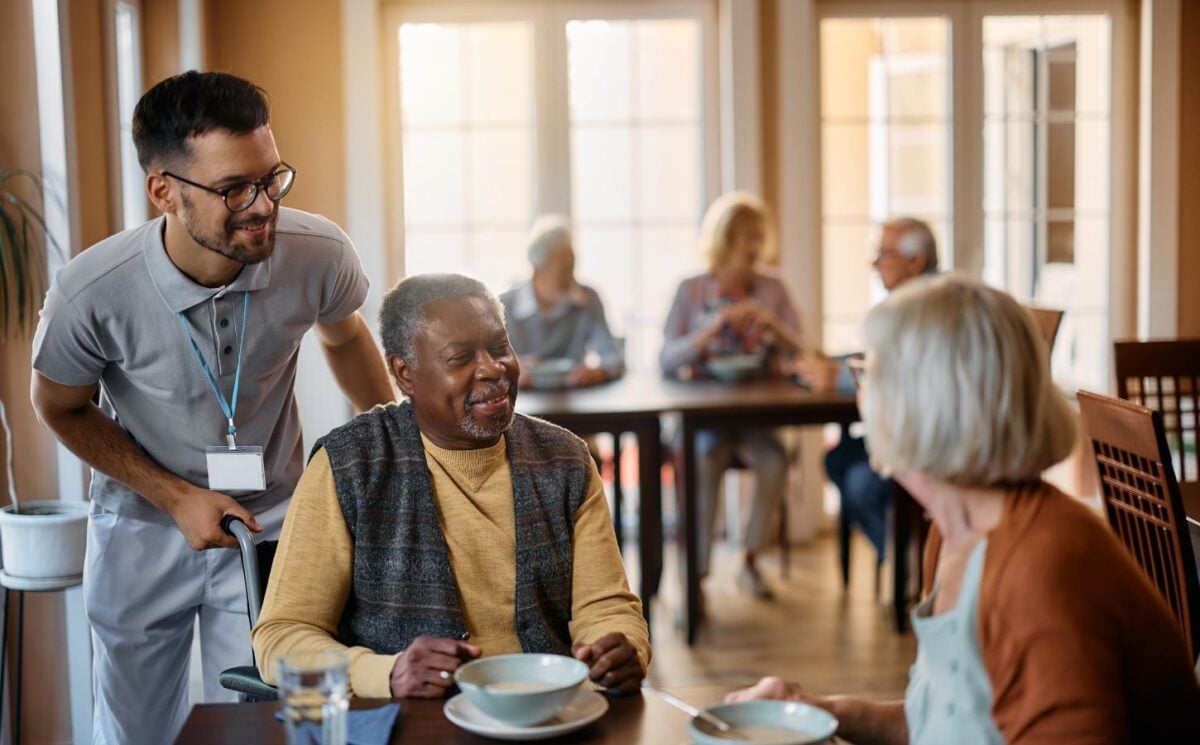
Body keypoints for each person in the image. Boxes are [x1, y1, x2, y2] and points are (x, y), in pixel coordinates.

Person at [29, 71, 395, 745]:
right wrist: (173, 496)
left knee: (260, 723)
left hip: (273, 519)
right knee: (137, 730)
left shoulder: (318, 253)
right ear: (163, 190)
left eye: (271, 178)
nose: (262, 205)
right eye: (233, 189)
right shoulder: (91, 291)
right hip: (142, 523)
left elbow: (345, 337)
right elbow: (58, 405)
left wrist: (396, 450)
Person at [729, 275, 1200, 743]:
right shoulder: (953, 534)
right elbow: (945, 721)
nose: (861, 393)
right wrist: (817, 712)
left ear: (930, 407)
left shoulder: (1043, 571)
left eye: (872, 374)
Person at [252, 273, 649, 698]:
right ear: (405, 374)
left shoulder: (566, 459)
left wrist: (620, 644)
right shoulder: (349, 466)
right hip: (414, 724)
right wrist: (386, 673)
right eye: (460, 359)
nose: (493, 369)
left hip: (545, 716)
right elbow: (281, 636)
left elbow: (605, 605)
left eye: (500, 348)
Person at [660, 192, 804, 600]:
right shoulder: (690, 291)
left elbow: (802, 352)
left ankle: (750, 562)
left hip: (757, 419)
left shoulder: (772, 290)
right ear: (724, 241)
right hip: (703, 420)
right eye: (746, 238)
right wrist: (712, 327)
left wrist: (774, 324)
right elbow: (667, 358)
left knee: (775, 460)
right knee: (703, 460)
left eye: (759, 237)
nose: (755, 247)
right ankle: (698, 576)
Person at [793, 217, 938, 567]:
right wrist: (832, 363)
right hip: (910, 430)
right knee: (837, 459)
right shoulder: (911, 301)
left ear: (915, 261)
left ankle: (910, 561)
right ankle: (903, 557)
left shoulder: (931, 306)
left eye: (883, 254)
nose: (874, 263)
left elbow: (904, 374)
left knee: (860, 480)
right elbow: (883, 359)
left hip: (930, 439)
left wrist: (839, 376)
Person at [500, 215, 623, 389]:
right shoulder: (504, 306)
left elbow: (614, 357)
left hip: (574, 401)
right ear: (537, 271)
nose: (571, 279)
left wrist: (600, 371)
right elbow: (489, 366)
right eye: (563, 271)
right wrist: (509, 372)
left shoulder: (587, 299)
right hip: (523, 406)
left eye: (572, 268)